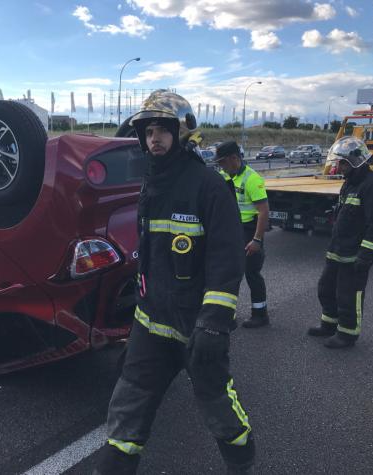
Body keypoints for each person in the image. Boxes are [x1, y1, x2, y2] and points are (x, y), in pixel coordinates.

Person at [95, 91, 254, 474]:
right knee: (127, 406)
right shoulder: (152, 184)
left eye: (163, 130)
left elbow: (226, 258)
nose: (154, 140)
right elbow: (150, 257)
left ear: (182, 133)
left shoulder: (209, 186)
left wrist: (214, 323)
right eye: (149, 131)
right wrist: (136, 315)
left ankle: (242, 463)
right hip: (151, 324)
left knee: (218, 404)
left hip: (196, 327)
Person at [307, 136, 373, 349]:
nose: (339, 167)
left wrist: (366, 255)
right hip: (337, 250)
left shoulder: (372, 186)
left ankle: (347, 334)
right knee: (326, 288)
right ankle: (329, 324)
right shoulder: (349, 183)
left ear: (355, 161)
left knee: (348, 295)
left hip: (355, 254)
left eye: (342, 163)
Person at [215, 141, 270, 328]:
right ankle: (228, 316)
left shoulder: (252, 179)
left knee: (252, 273)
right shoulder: (224, 176)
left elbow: (263, 212)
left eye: (222, 162)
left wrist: (257, 240)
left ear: (234, 158)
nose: (221, 166)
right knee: (230, 274)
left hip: (249, 231)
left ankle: (260, 314)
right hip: (232, 230)